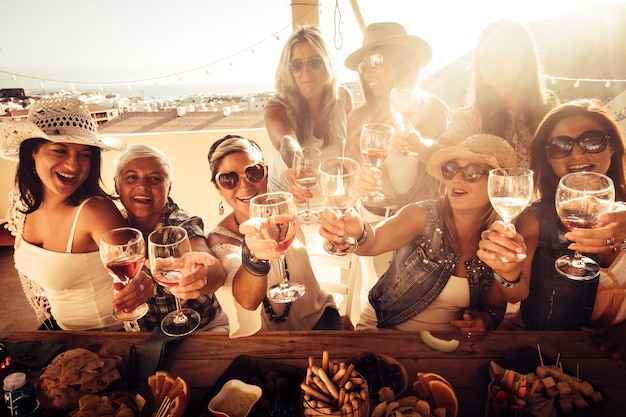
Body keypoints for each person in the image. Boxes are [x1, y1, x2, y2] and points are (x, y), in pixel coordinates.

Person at [320, 134, 513, 338]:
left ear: (498, 183)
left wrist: (485, 319)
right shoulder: (421, 215)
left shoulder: (501, 235)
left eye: (472, 172)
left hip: (449, 344)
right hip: (385, 330)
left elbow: (495, 307)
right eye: (451, 169)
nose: (457, 178)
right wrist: (356, 230)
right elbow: (372, 241)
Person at [478, 99, 626, 347]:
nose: (577, 153)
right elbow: (515, 293)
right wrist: (508, 272)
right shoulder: (534, 219)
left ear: (611, 146)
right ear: (547, 158)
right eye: (560, 146)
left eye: (592, 140)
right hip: (546, 352)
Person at [0, 97, 150, 330]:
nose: (73, 165)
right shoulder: (25, 204)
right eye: (59, 150)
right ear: (32, 152)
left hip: (108, 339)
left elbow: (135, 270)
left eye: (85, 154)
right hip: (58, 332)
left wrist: (141, 284)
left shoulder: (94, 211)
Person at [206, 134, 343, 337]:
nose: (244, 185)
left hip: (321, 319)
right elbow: (247, 301)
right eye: (229, 179)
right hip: (267, 342)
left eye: (253, 172)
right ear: (218, 188)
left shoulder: (285, 213)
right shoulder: (220, 241)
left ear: (266, 173)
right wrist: (255, 256)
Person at [113, 143, 228, 332]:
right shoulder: (113, 225)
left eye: (155, 179)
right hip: (148, 337)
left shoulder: (181, 224)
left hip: (204, 330)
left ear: (169, 188)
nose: (142, 185)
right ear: (116, 185)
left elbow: (210, 266)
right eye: (132, 177)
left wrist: (201, 273)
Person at [413, 19, 558, 170]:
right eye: (485, 57)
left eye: (502, 54)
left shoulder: (549, 108)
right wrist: (417, 143)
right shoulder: (471, 117)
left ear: (526, 58)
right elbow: (439, 152)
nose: (492, 64)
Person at [343, 22, 449, 217]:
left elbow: (451, 172)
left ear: (403, 59)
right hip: (375, 225)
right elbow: (349, 177)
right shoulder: (359, 117)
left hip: (427, 225)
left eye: (375, 61)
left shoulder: (436, 111)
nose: (366, 73)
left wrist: (423, 148)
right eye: (363, 66)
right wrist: (362, 182)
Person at [264, 24, 353, 216]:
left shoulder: (343, 99)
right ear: (289, 71)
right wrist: (299, 165)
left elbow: (350, 151)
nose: (306, 72)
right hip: (286, 210)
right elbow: (286, 140)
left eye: (314, 62)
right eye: (296, 65)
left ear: (327, 63)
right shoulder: (276, 107)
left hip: (330, 208)